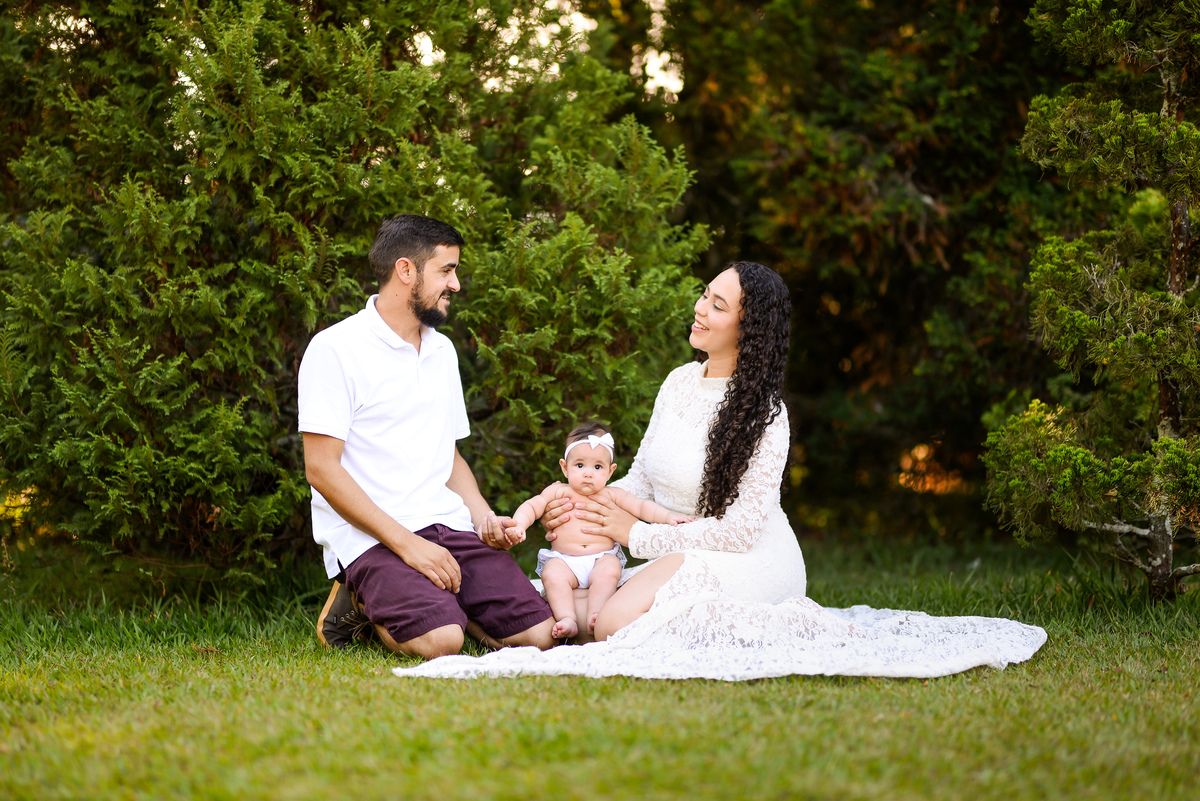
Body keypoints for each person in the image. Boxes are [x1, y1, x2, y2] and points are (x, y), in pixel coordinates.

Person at [393, 260, 1047, 680]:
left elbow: (736, 531)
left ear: (748, 328)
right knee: (592, 618)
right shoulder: (680, 381)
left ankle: (773, 615)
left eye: (718, 305)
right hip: (680, 544)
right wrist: (589, 503)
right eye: (704, 295)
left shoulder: (766, 413)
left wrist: (639, 536)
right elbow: (643, 475)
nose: (701, 309)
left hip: (751, 555)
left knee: (613, 625)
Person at [299, 214, 555, 660]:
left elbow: (449, 455)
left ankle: (450, 603)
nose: (455, 285)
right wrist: (407, 545)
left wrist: (483, 518)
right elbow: (321, 469)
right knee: (442, 642)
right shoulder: (334, 349)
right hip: (373, 535)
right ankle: (358, 596)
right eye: (446, 270)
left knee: (540, 635)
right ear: (405, 271)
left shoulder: (442, 350)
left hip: (445, 522)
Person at [505, 422, 694, 639]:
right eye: (579, 465)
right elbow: (532, 506)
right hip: (566, 559)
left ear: (610, 471)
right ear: (564, 467)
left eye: (597, 467)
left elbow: (642, 508)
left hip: (600, 558)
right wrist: (519, 524)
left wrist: (668, 516)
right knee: (552, 573)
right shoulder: (557, 491)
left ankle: (597, 613)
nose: (588, 474)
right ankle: (567, 618)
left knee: (610, 570)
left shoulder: (612, 494)